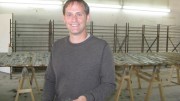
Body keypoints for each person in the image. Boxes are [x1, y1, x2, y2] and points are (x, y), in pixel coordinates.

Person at [42, 0, 116, 101]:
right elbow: (50, 80)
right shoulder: (57, 46)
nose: (74, 19)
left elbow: (109, 84)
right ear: (64, 18)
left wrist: (87, 98)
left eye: (79, 14)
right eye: (69, 14)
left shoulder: (102, 48)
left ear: (87, 17)